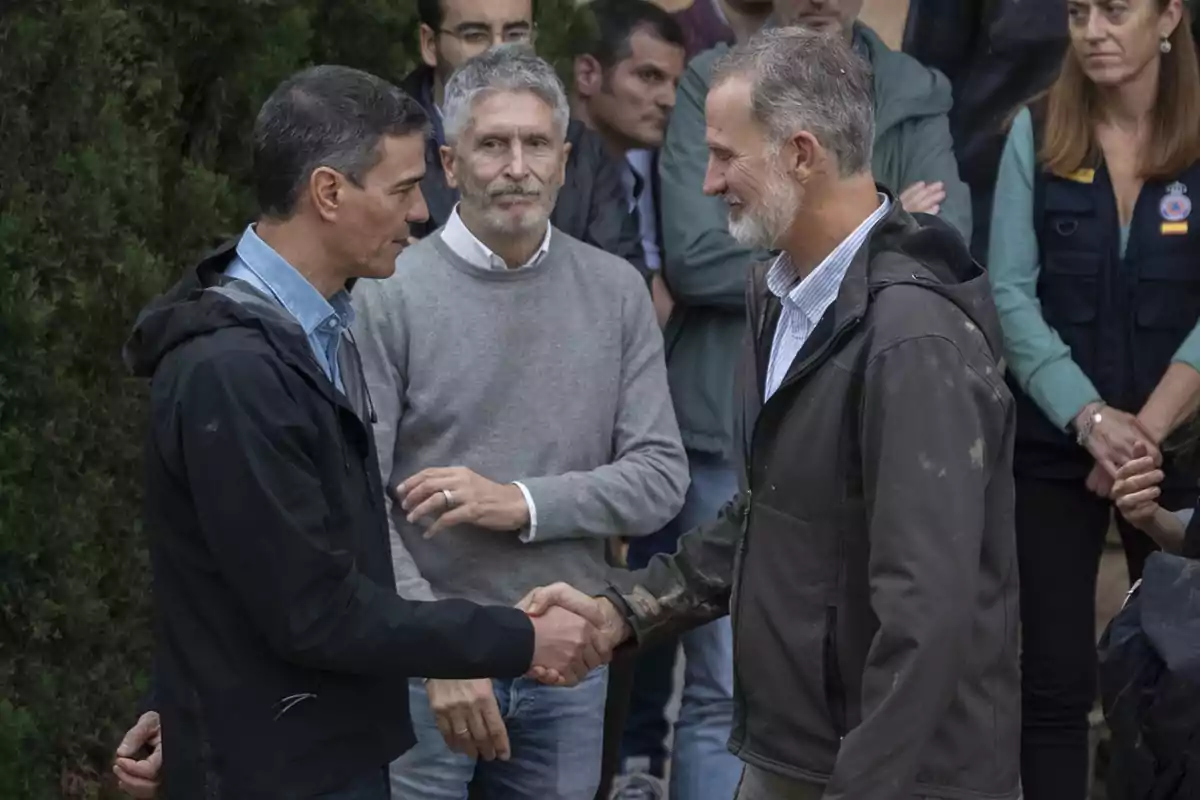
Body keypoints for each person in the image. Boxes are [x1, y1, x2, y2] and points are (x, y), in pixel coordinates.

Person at [525, 25, 1021, 800]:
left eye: (726, 156)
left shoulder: (914, 341)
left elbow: (928, 620)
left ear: (801, 153)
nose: (708, 182)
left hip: (898, 777)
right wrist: (622, 613)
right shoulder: (779, 294)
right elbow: (769, 516)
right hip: (794, 755)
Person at [114, 65, 602, 800]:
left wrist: (178, 700)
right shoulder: (233, 369)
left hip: (319, 749)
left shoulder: (321, 324)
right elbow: (314, 609)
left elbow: (240, 565)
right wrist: (518, 639)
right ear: (329, 193)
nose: (421, 215)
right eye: (404, 189)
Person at [353, 46, 689, 800]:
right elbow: (359, 496)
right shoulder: (386, 294)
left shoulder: (616, 294)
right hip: (427, 676)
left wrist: (522, 502)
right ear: (447, 162)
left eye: (536, 144)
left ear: (565, 162)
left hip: (566, 660)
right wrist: (435, 649)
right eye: (492, 144)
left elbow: (662, 479)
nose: (517, 166)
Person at [985, 0, 1200, 796]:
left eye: (1116, 10)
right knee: (1050, 682)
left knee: (1184, 670)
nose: (1094, 30)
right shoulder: (1035, 131)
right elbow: (1008, 293)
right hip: (1056, 447)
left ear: (1170, 16)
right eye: (1078, 11)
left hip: (1177, 452)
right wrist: (1090, 418)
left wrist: (1143, 430)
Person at [404, 0, 644, 269]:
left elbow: (620, 283)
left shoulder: (583, 150)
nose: (498, 50)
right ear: (429, 43)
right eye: (475, 35)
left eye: (515, 35)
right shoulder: (388, 146)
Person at [571, 1, 686, 324]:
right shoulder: (555, 175)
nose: (669, 100)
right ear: (587, 74)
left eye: (674, 83)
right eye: (649, 76)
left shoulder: (625, 170)